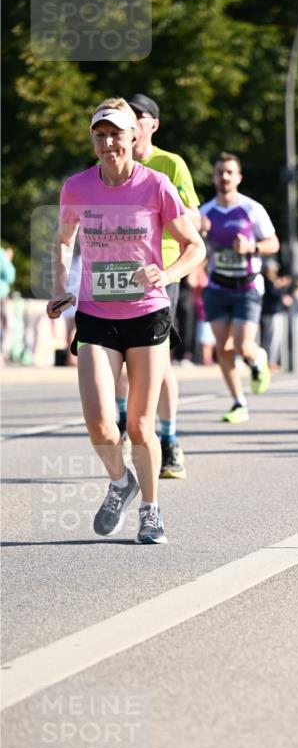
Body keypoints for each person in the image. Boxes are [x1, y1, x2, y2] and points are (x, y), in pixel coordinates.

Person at [47, 98, 205, 543]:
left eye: (116, 134)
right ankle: (120, 482)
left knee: (138, 425)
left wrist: (166, 274)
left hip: (146, 314)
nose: (109, 143)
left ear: (134, 136)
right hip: (96, 314)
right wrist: (60, 286)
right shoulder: (76, 187)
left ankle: (151, 511)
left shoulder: (156, 185)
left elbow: (195, 246)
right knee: (100, 423)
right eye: (100, 135)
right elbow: (63, 240)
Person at [112, 93, 202, 480]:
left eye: (140, 116)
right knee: (117, 357)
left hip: (162, 273)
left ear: (153, 125)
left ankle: (169, 439)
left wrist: (164, 209)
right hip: (118, 272)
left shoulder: (170, 165)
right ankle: (122, 423)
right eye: (127, 116)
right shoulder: (109, 162)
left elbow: (195, 217)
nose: (132, 123)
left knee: (158, 361)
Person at [200, 152, 279, 423]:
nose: (224, 177)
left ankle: (257, 359)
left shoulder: (251, 209)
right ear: (214, 177)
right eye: (220, 172)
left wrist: (251, 247)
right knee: (223, 348)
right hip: (217, 286)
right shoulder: (204, 213)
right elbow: (196, 250)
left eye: (229, 172)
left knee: (243, 346)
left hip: (247, 287)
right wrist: (200, 235)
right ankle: (238, 402)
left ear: (239, 177)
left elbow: (274, 243)